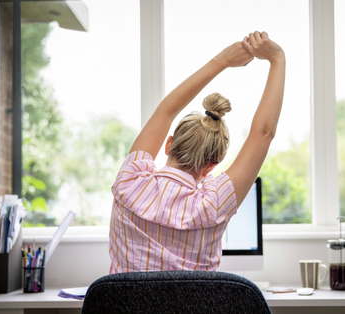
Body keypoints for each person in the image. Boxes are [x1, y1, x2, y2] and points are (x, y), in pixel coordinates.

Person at [109, 31, 285, 274]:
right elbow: (263, 134)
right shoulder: (213, 203)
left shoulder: (130, 180)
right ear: (211, 165)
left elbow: (165, 112)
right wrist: (277, 59)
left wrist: (222, 60)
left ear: (168, 144)